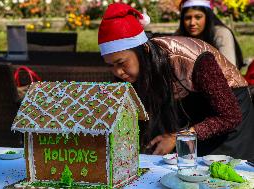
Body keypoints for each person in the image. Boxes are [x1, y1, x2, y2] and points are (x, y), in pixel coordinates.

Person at [98, 3, 254, 160]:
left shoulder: (193, 59)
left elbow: (230, 117)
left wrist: (177, 137)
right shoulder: (131, 72)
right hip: (192, 117)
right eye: (110, 65)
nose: (117, 72)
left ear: (144, 50)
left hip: (229, 114)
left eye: (121, 63)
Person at [176, 0, 244, 69]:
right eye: (188, 18)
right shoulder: (178, 37)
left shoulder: (221, 34)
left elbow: (229, 70)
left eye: (198, 17)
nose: (192, 23)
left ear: (208, 17)